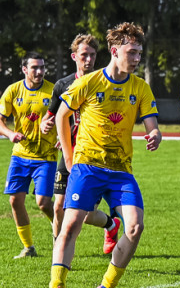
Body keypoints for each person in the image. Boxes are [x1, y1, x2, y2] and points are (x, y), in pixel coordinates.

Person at [46, 22, 162, 288]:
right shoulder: (90, 82)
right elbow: (62, 114)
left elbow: (151, 123)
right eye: (131, 52)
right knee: (70, 225)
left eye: (139, 52)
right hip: (87, 166)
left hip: (121, 170)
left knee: (135, 228)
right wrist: (70, 158)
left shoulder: (140, 87)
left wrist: (155, 134)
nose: (137, 58)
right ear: (115, 51)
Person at [40, 34, 122, 249]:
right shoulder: (63, 85)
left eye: (92, 55)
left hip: (92, 154)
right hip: (68, 151)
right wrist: (46, 126)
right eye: (84, 55)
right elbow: (51, 116)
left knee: (85, 214)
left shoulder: (103, 83)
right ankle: (59, 250)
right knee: (58, 205)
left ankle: (111, 224)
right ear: (74, 56)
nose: (88, 59)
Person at [0, 52, 56, 258]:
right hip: (20, 155)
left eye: (42, 67)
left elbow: (70, 116)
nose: (39, 71)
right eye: (35, 68)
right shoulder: (13, 90)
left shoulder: (53, 91)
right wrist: (10, 134)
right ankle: (28, 248)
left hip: (46, 156)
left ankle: (60, 227)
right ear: (24, 70)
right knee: (15, 201)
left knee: (43, 203)